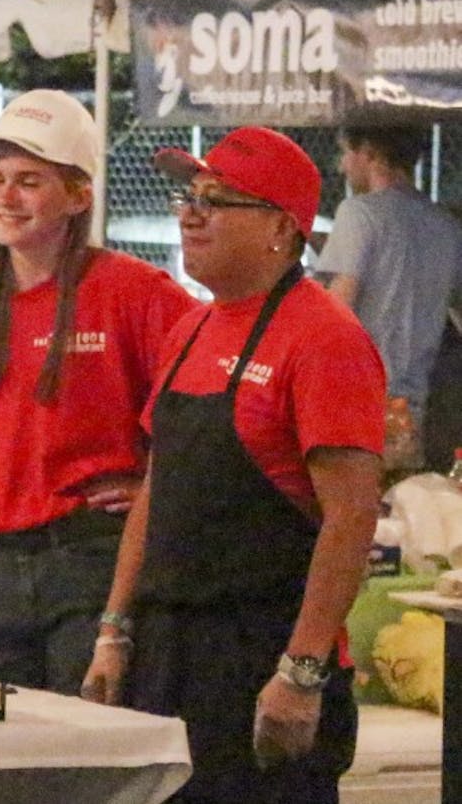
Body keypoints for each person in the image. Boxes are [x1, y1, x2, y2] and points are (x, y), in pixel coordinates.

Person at [81, 126, 385, 804]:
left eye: (218, 200)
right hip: (166, 659)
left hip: (261, 664)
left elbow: (352, 514)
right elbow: (157, 494)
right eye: (189, 195)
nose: (191, 213)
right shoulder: (190, 329)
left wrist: (302, 673)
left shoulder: (325, 338)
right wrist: (114, 631)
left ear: (281, 227)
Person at [0, 89, 199, 695]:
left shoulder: (135, 293)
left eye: (30, 181)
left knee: (82, 764)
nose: (6, 196)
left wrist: (158, 493)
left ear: (78, 196)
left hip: (91, 569)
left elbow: (209, 420)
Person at [314, 122, 462, 447]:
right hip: (414, 407)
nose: (341, 166)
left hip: (360, 401)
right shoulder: (446, 226)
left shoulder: (358, 212)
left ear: (370, 152)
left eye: (345, 153)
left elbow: (337, 312)